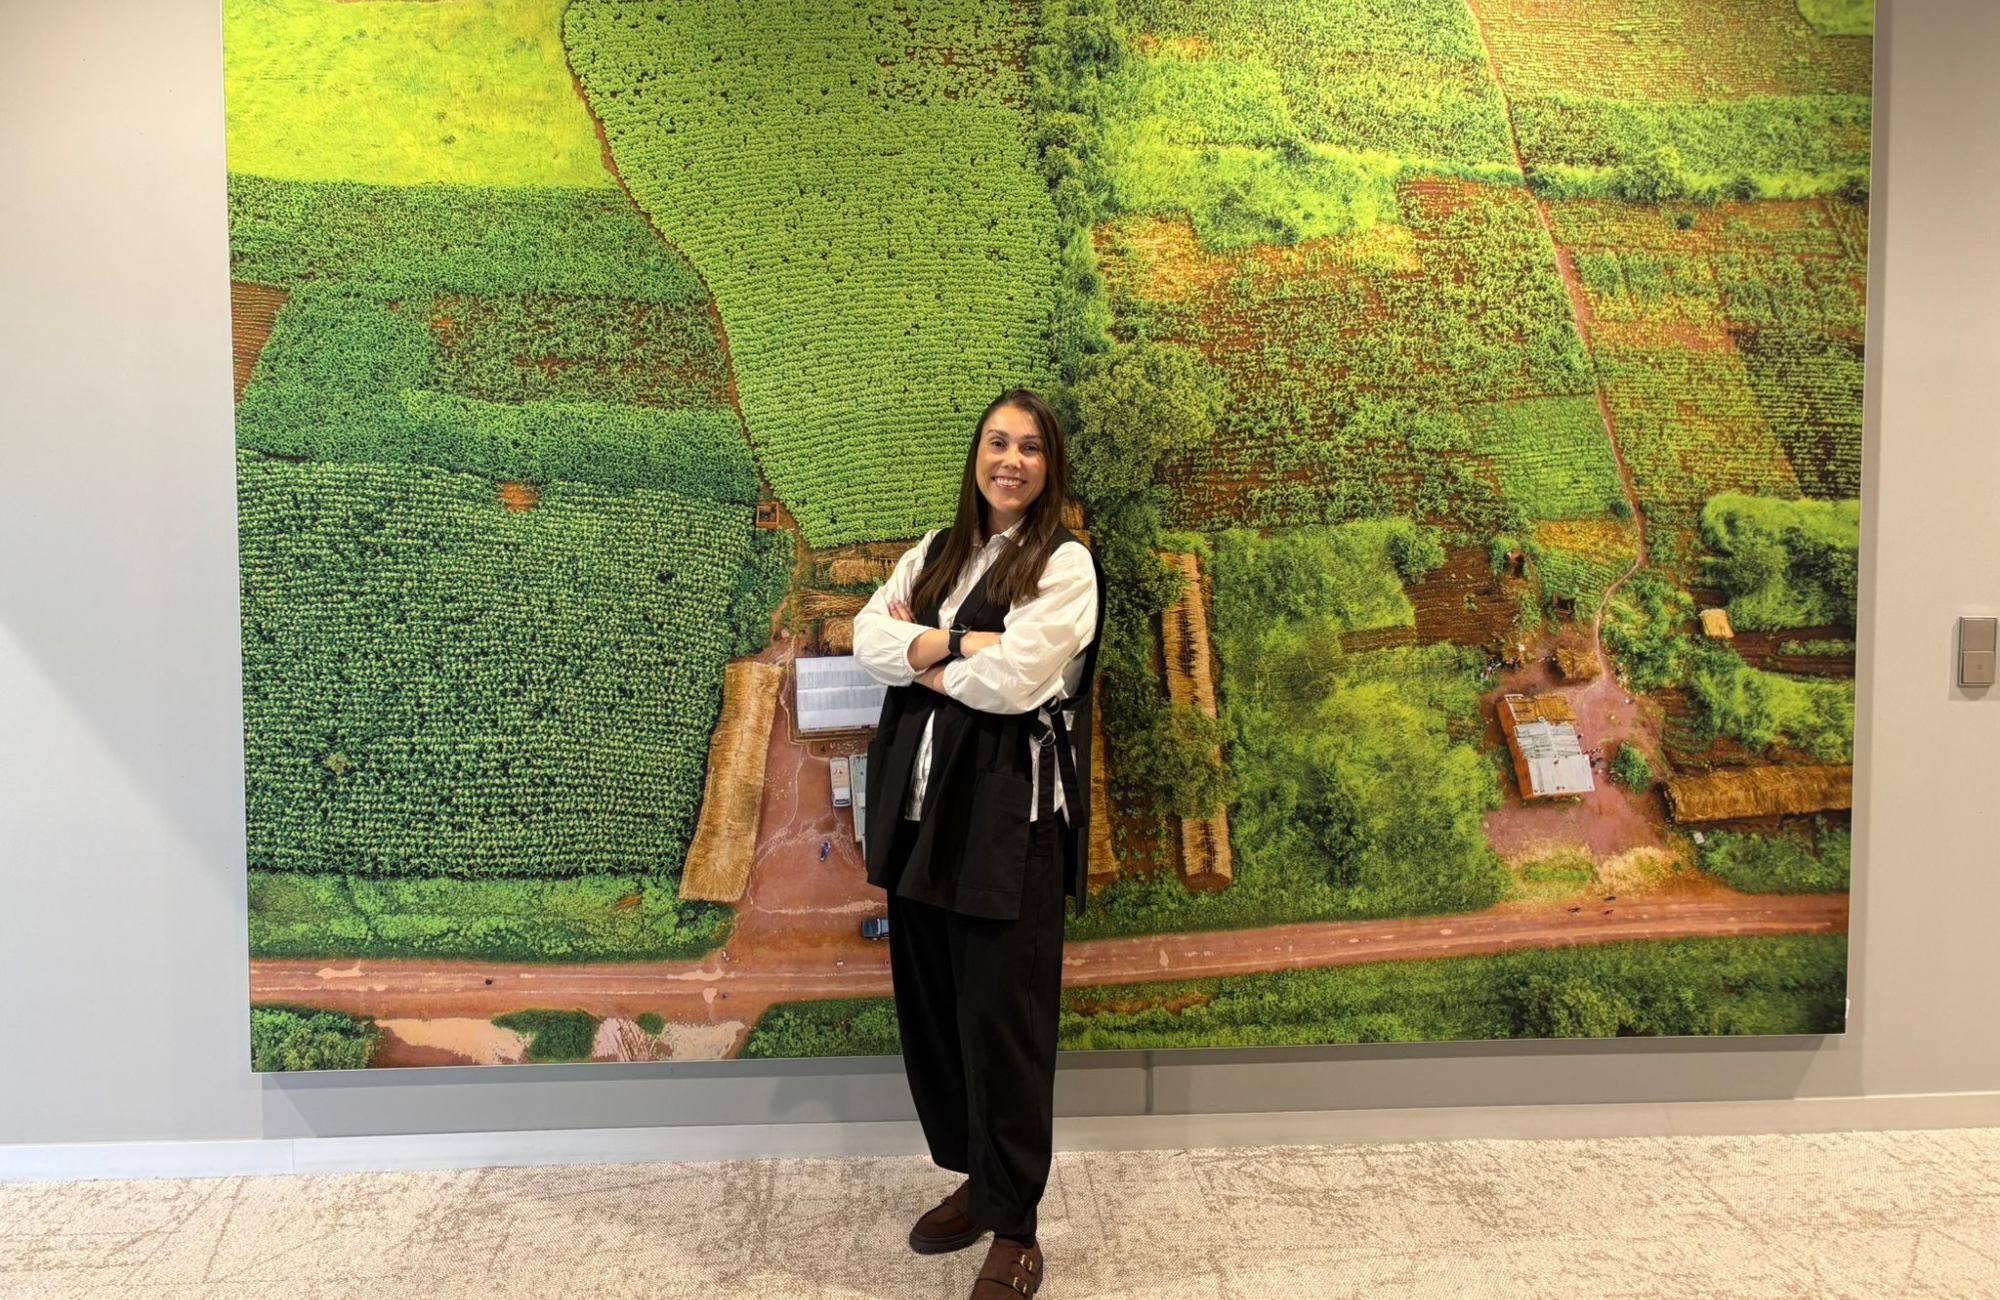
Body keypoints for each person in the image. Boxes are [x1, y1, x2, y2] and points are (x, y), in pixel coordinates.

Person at [851, 388, 1105, 1300]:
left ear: (1049, 466)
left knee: (1004, 1022)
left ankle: (1018, 1226)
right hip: (920, 812)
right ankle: (976, 1180)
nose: (1012, 460)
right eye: (999, 443)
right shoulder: (935, 551)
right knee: (935, 1009)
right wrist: (958, 642)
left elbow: (1018, 682)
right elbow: (866, 639)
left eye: (1030, 448)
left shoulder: (1064, 565)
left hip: (1008, 820)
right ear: (976, 455)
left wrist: (922, 654)